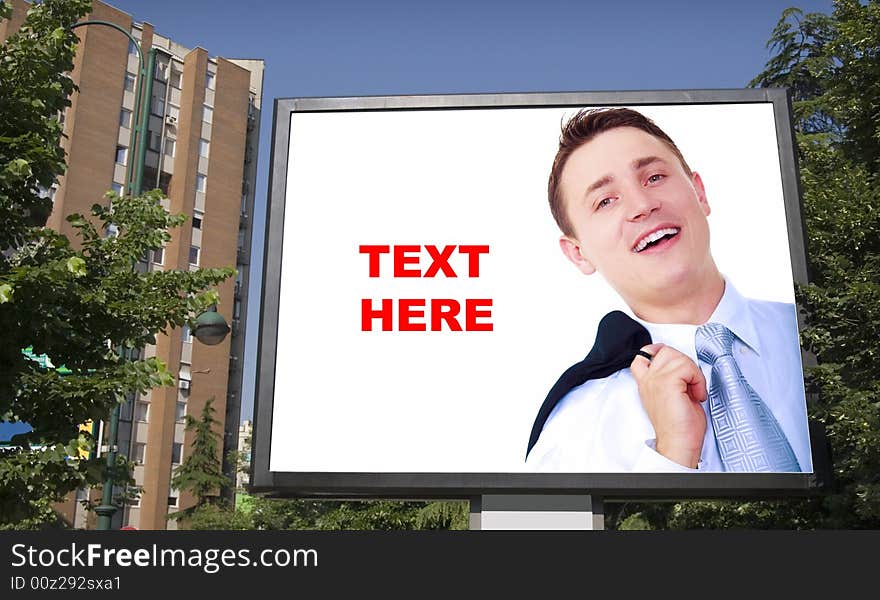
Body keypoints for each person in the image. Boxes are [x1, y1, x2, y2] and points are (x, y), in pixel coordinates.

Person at [525, 107, 812, 473]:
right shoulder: (573, 432)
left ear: (700, 193)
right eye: (605, 201)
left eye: (655, 177)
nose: (643, 206)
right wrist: (672, 456)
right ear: (578, 254)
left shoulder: (820, 333)